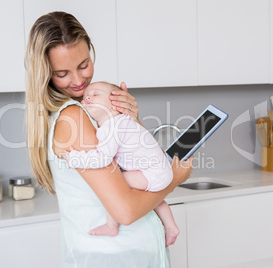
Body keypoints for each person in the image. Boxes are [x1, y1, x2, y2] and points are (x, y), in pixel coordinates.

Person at [25, 11, 194, 267]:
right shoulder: (74, 116)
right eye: (63, 73)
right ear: (45, 73)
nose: (79, 80)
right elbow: (124, 211)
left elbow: (130, 166)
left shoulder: (82, 111)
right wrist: (173, 179)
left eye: (83, 65)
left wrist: (129, 121)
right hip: (117, 255)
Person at [64, 81, 179, 247]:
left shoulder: (113, 126)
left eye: (96, 94)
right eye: (85, 96)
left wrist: (75, 158)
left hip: (153, 173)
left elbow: (102, 158)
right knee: (155, 199)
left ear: (116, 103)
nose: (88, 97)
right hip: (159, 171)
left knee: (114, 185)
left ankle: (112, 225)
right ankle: (171, 226)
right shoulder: (122, 121)